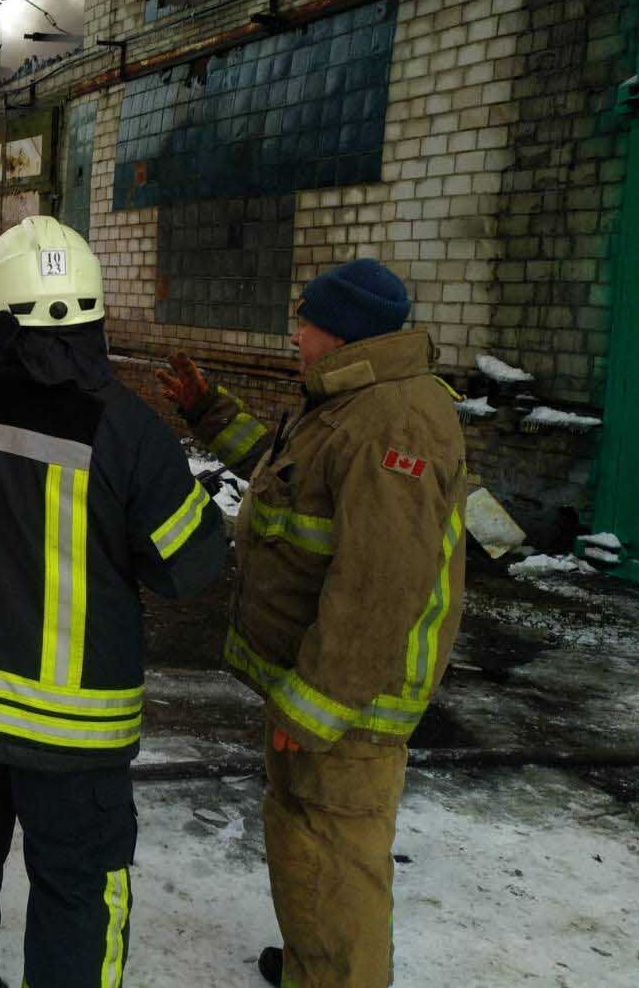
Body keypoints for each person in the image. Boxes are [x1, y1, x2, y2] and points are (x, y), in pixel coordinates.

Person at [0, 215, 226, 988]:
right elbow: (187, 568)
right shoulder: (127, 430)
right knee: (75, 895)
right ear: (92, 311)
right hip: (72, 738)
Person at [157, 257, 467, 988]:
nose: (294, 334)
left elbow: (380, 583)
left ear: (341, 331)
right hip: (314, 685)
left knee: (338, 852)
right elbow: (285, 480)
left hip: (350, 702)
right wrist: (209, 414)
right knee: (304, 840)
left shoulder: (398, 420)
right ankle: (313, 965)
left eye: (305, 322)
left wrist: (319, 699)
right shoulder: (349, 401)